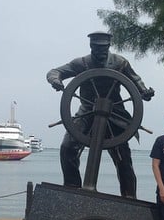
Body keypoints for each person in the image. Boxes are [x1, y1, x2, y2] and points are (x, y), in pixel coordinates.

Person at [46, 31, 154, 198]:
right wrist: (56, 80)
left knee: (123, 158)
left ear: (109, 46)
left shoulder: (120, 62)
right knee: (67, 147)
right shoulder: (81, 63)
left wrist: (144, 92)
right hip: (87, 112)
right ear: (91, 47)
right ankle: (72, 189)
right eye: (97, 48)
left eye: (104, 48)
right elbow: (54, 72)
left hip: (115, 115)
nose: (101, 51)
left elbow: (136, 81)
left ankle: (130, 198)